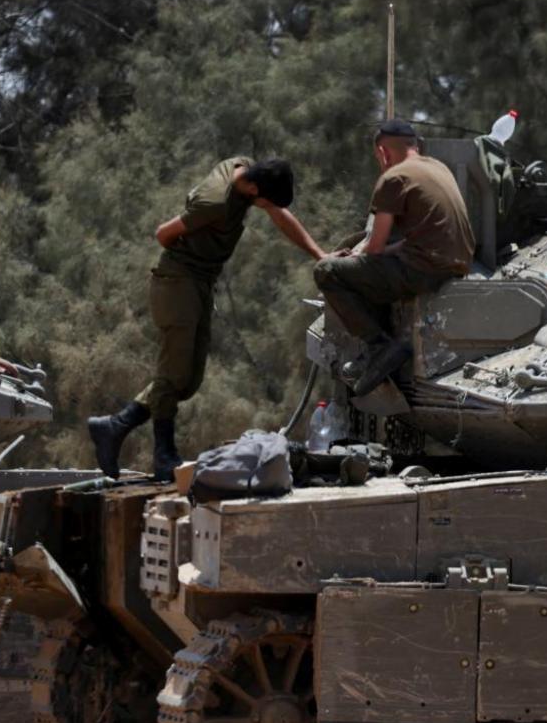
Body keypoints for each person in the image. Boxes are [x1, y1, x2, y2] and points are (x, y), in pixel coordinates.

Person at [89, 156, 325, 479]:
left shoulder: (246, 169)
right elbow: (163, 234)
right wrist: (188, 264)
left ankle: (116, 426)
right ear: (254, 188)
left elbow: (279, 214)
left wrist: (320, 255)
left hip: (198, 283)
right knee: (173, 374)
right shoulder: (214, 201)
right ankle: (163, 455)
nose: (266, 208)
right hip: (177, 282)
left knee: (187, 380)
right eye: (265, 202)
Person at [312, 120, 475, 394]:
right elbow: (411, 240)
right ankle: (381, 348)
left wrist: (354, 256)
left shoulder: (393, 178)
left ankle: (380, 347)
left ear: (383, 152)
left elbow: (373, 248)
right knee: (365, 271)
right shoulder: (438, 167)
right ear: (415, 144)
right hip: (457, 263)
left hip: (423, 270)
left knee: (327, 271)